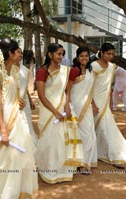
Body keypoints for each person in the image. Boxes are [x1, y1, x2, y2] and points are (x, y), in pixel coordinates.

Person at [0, 39, 38, 199]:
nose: (20, 56)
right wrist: (3, 131)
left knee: (22, 153)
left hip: (18, 116)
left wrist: (21, 102)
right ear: (10, 53)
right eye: (18, 52)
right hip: (3, 117)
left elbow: (14, 95)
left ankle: (19, 190)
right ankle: (7, 192)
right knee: (8, 155)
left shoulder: (16, 70)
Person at [36, 43, 84, 184]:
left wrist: (67, 105)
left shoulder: (66, 70)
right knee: (50, 142)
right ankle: (49, 170)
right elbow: (41, 95)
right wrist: (55, 112)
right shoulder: (42, 72)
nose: (61, 56)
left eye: (62, 54)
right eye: (58, 53)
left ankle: (64, 171)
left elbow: (67, 91)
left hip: (63, 109)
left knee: (64, 140)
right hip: (49, 111)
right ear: (50, 54)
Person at [90, 42, 126, 169]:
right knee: (94, 127)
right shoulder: (93, 66)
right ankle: (94, 153)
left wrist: (109, 102)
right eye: (108, 53)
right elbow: (89, 87)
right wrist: (92, 103)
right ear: (101, 52)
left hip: (104, 102)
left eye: (112, 54)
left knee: (106, 127)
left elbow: (109, 86)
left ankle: (114, 156)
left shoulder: (111, 67)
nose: (110, 56)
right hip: (93, 100)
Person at [65, 46, 98, 174]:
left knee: (89, 134)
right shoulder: (74, 71)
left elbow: (90, 91)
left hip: (87, 106)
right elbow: (67, 90)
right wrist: (67, 104)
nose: (84, 58)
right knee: (80, 134)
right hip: (76, 106)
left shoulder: (90, 71)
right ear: (77, 58)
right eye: (81, 56)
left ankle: (87, 161)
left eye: (86, 56)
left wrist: (94, 105)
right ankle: (80, 163)